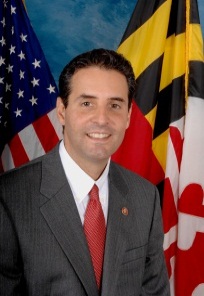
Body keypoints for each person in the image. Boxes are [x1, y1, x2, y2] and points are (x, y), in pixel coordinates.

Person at [0, 48, 170, 295]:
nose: (101, 119)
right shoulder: (9, 198)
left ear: (129, 116)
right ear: (62, 111)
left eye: (114, 105)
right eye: (87, 103)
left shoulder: (145, 197)